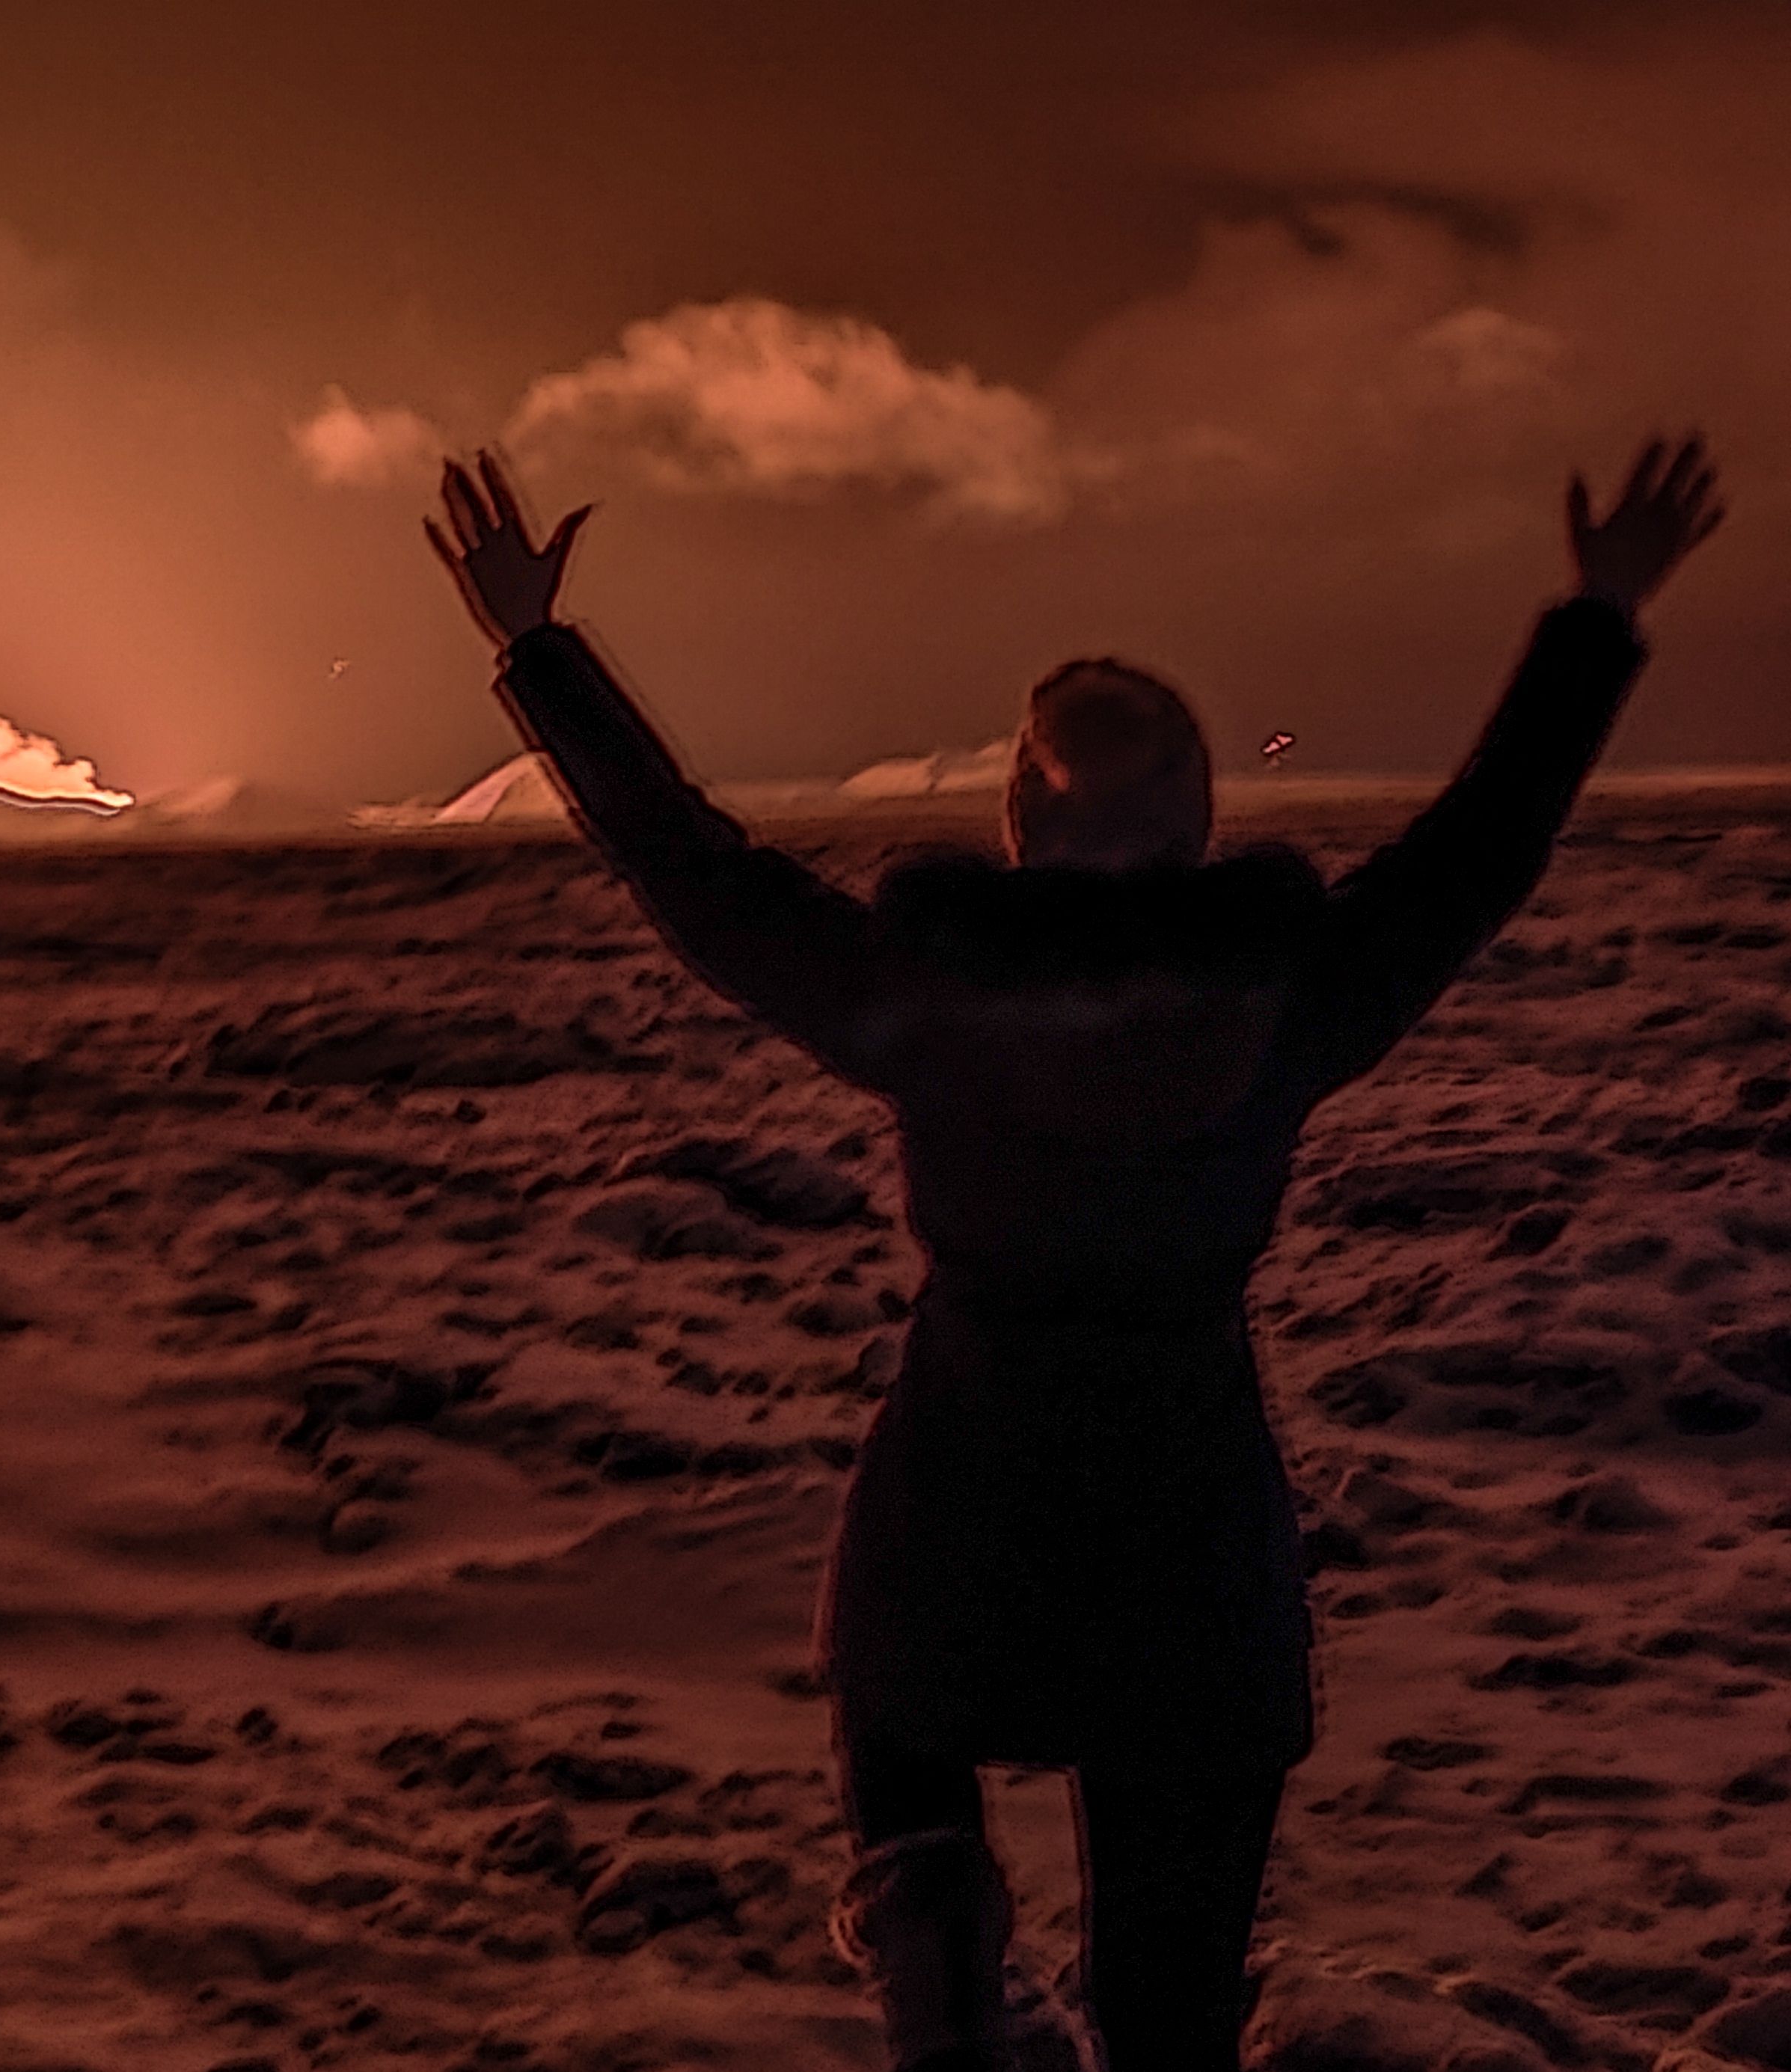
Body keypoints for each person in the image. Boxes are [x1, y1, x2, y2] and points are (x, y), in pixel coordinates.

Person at [425, 439, 1724, 2072]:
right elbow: (1479, 847)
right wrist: (1595, 616)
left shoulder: (929, 997)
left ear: (1018, 827)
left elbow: (693, 872)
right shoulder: (1283, 997)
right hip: (1189, 1529)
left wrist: (539, 650)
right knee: (1170, 2007)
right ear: (1193, 821)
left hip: (960, 1494)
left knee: (897, 1731)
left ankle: (937, 1951)